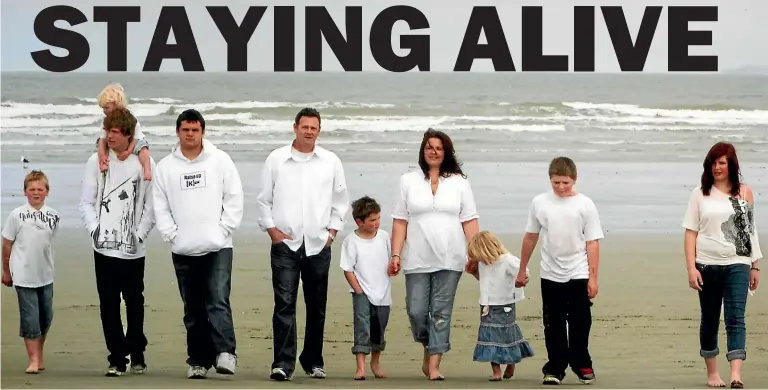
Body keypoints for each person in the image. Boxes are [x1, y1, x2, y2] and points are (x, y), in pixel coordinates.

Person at [255, 107, 350, 381]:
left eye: (314, 127)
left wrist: (332, 232)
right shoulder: (277, 159)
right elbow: (263, 199)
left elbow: (340, 201)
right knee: (284, 303)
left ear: (319, 131)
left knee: (316, 305)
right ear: (294, 127)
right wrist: (271, 229)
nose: (309, 131)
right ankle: (282, 364)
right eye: (304, 126)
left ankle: (313, 361)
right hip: (286, 244)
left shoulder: (330, 161)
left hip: (319, 244)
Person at [152, 109, 244, 379]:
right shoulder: (166, 167)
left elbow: (234, 197)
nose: (190, 134)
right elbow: (161, 206)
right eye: (185, 129)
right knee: (192, 307)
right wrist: (172, 235)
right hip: (183, 248)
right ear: (178, 132)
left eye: (195, 129)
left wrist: (223, 230)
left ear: (203, 132)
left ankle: (226, 353)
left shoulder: (220, 160)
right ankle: (198, 360)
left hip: (218, 247)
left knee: (217, 300)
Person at [388, 128, 480, 381]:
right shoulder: (408, 180)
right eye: (429, 147)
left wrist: (475, 254)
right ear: (423, 150)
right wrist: (395, 255)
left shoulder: (460, 182)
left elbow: (469, 220)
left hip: (451, 257)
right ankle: (429, 346)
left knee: (441, 311)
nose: (434, 151)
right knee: (416, 311)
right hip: (417, 257)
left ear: (446, 152)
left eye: (439, 148)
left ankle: (435, 365)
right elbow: (400, 221)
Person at [78, 107, 156, 377]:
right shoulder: (95, 162)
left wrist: (140, 233)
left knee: (134, 302)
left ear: (128, 135)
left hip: (134, 249)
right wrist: (94, 230)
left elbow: (150, 205)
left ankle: (137, 353)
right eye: (107, 131)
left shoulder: (143, 163)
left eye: (115, 132)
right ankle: (116, 358)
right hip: (103, 248)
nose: (109, 136)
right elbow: (87, 202)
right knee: (108, 304)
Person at [515, 156, 603, 385]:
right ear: (550, 179)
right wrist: (522, 268)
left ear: (574, 179)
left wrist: (593, 277)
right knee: (552, 323)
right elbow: (531, 237)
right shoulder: (539, 203)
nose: (561, 187)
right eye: (556, 183)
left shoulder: (585, 204)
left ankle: (581, 362)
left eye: (565, 182)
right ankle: (555, 367)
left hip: (578, 270)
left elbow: (592, 242)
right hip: (550, 272)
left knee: (580, 321)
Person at [681, 142, 761, 389]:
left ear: (731, 165)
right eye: (714, 163)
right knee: (710, 319)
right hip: (707, 265)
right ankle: (713, 374)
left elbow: (750, 230)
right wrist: (691, 268)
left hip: (738, 262)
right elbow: (690, 233)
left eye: (722, 163)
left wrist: (755, 264)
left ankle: (736, 374)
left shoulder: (745, 192)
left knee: (736, 318)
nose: (718, 167)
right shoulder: (699, 194)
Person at [2, 170, 61, 375]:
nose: (36, 193)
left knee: (46, 317)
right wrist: (6, 272)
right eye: (32, 189)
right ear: (25, 192)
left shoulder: (53, 215)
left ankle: (39, 352)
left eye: (40, 189)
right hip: (23, 275)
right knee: (30, 319)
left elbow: (48, 241)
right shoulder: (16, 215)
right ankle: (33, 359)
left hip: (45, 274)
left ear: (47, 192)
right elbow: (7, 245)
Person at [465, 231, 534, 381]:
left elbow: (524, 272)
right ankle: (496, 371)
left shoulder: (507, 260)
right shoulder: (483, 263)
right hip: (487, 305)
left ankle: (511, 362)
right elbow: (485, 280)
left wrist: (522, 280)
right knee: (489, 337)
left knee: (506, 335)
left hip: (505, 305)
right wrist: (473, 272)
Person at [339, 196, 392, 381]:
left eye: (378, 218)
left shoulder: (384, 237)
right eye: (372, 220)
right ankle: (360, 367)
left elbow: (391, 259)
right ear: (359, 222)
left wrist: (394, 267)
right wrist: (358, 290)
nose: (376, 223)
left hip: (383, 292)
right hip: (361, 291)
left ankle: (375, 362)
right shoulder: (351, 241)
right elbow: (347, 269)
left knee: (379, 327)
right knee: (362, 326)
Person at [96, 83, 153, 181]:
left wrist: (128, 151)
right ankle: (103, 163)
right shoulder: (107, 119)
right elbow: (103, 137)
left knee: (143, 148)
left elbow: (136, 136)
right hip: (117, 141)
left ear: (116, 104)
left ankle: (147, 170)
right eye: (103, 108)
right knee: (100, 143)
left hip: (135, 140)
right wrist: (102, 155)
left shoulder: (129, 117)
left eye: (107, 107)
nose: (104, 111)